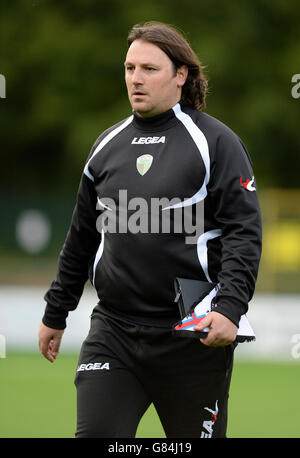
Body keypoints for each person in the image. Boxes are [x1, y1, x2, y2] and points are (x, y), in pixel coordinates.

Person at [38, 21, 262, 438]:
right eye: (129, 68)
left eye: (149, 69)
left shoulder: (216, 143)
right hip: (114, 332)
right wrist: (57, 311)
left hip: (191, 340)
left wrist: (230, 308)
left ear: (181, 75)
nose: (135, 79)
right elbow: (82, 237)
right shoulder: (106, 145)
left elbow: (243, 233)